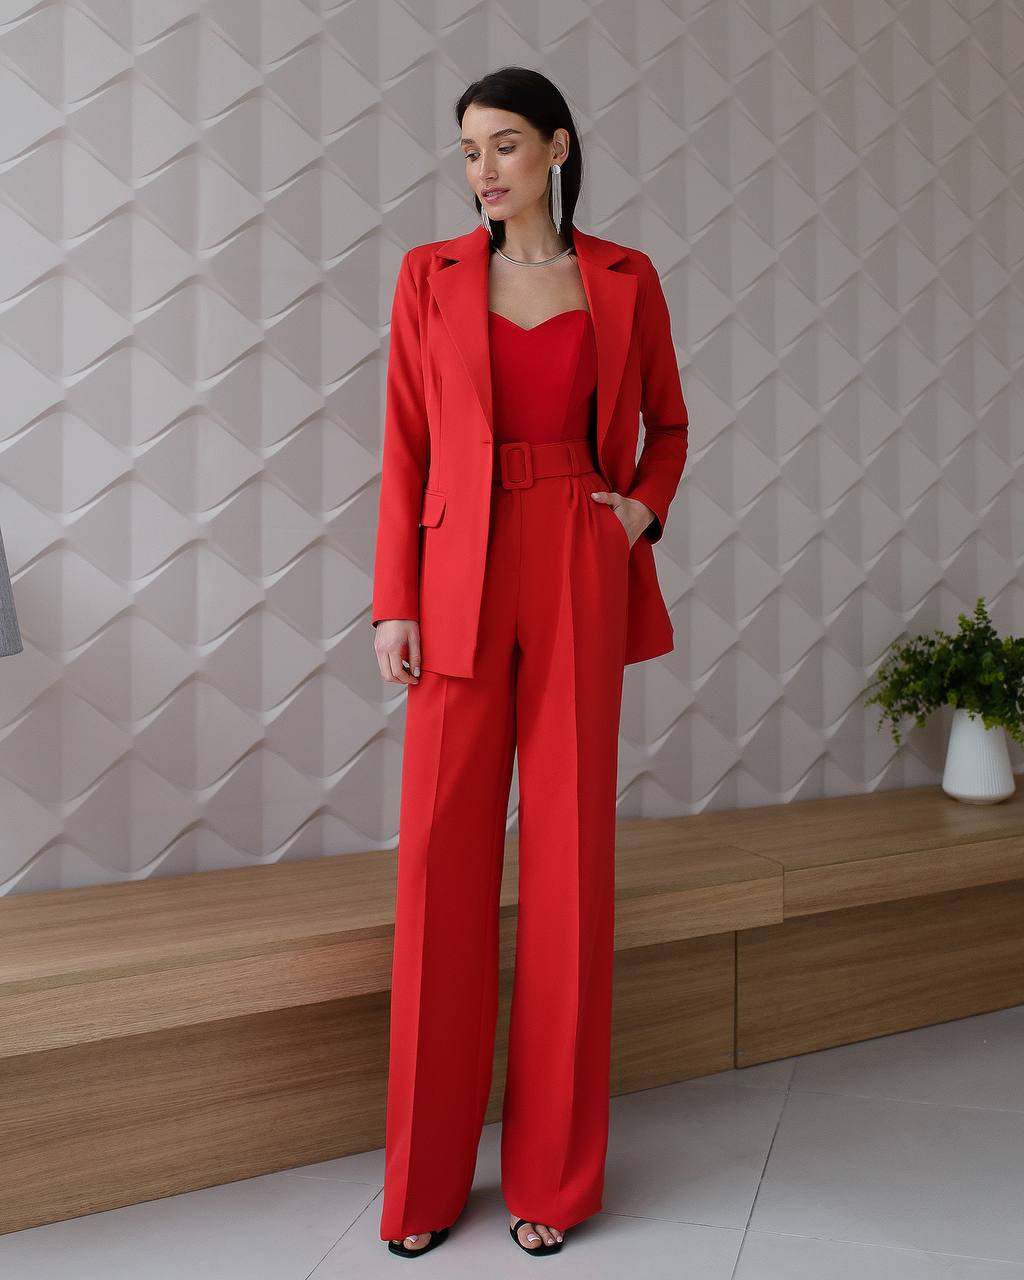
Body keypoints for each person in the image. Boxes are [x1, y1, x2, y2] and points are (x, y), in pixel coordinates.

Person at [371, 66, 689, 1259]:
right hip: (452, 576)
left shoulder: (623, 276)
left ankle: (551, 1178)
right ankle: (422, 1191)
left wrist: (633, 515)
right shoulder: (427, 277)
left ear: (557, 148)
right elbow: (404, 444)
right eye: (466, 151)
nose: (481, 170)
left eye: (503, 145)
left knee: (566, 868)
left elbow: (671, 423)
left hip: (573, 557)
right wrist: (390, 602)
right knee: (439, 878)